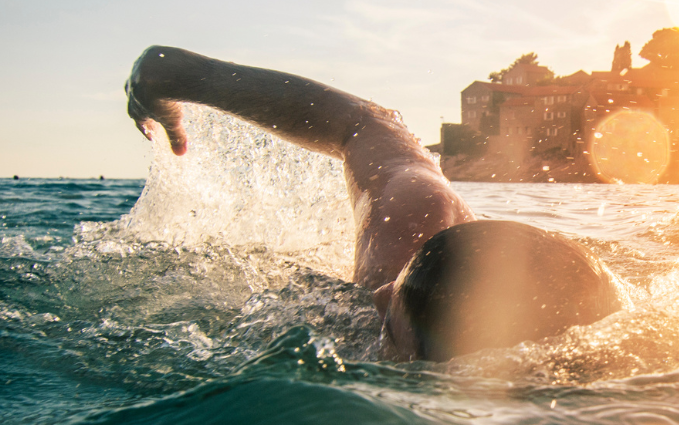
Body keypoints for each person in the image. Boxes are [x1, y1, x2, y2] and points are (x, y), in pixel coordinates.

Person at [125, 46, 622, 361]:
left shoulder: (375, 299)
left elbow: (361, 125)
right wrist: (176, 75)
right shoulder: (414, 219)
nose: (380, 295)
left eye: (388, 319)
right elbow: (364, 124)